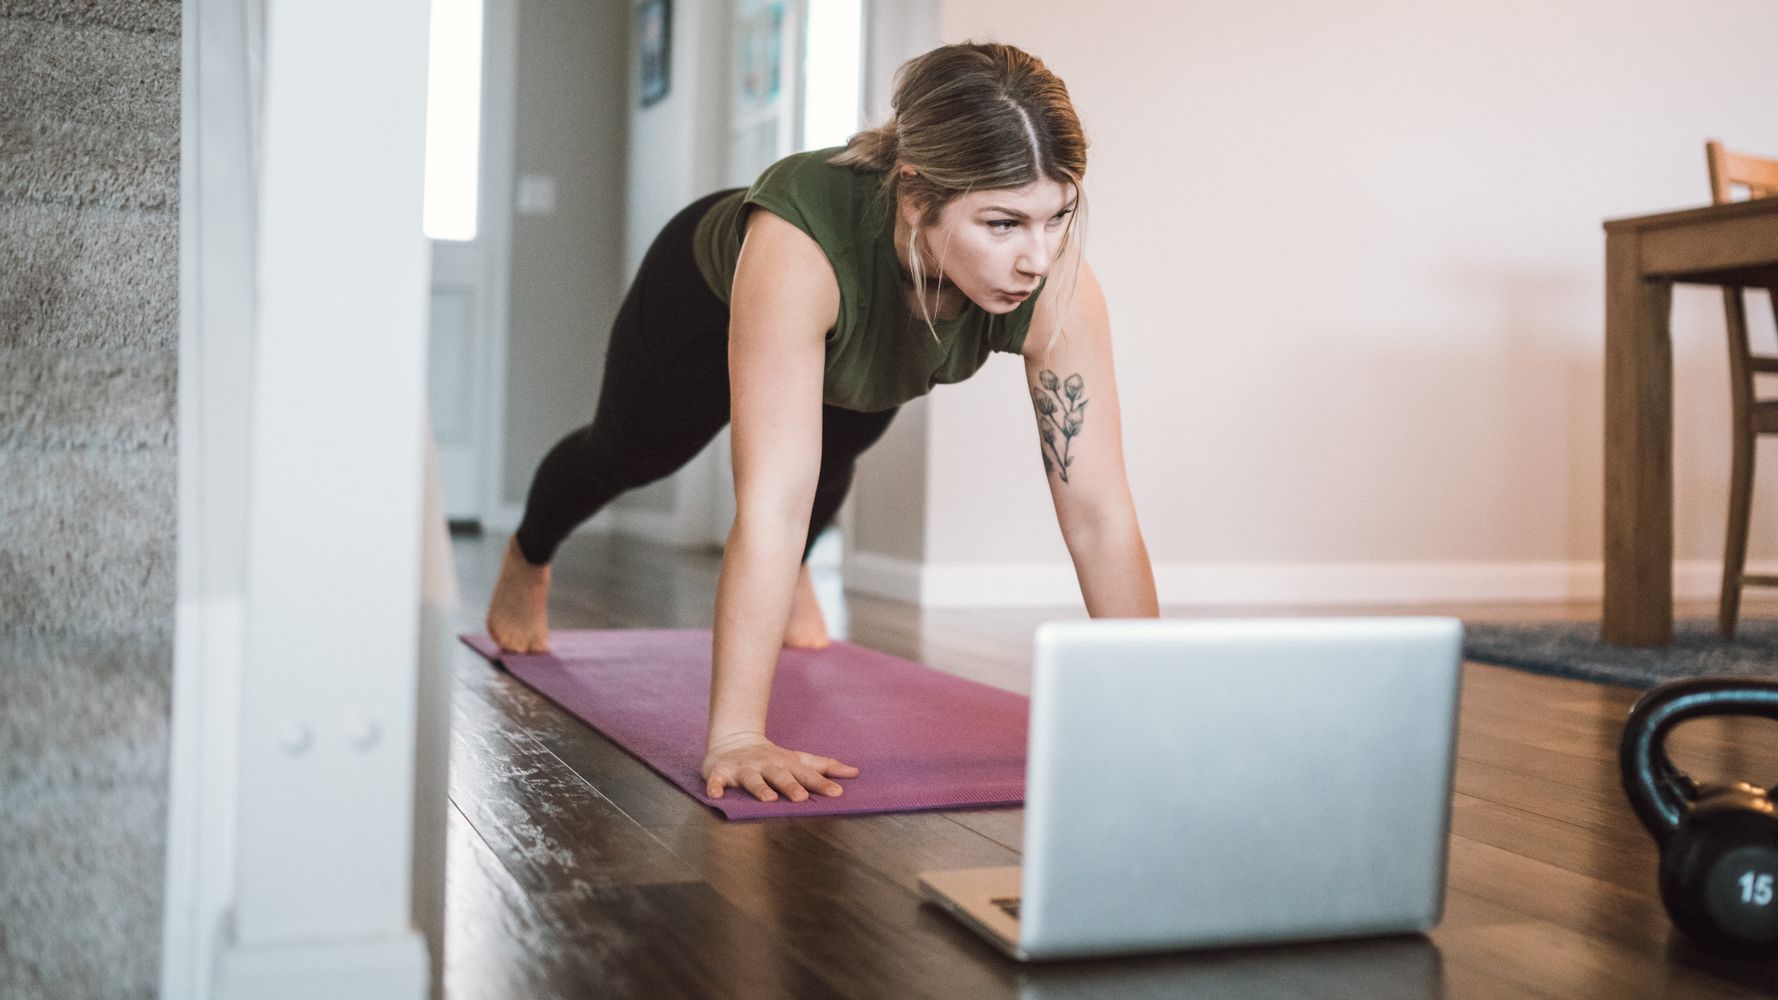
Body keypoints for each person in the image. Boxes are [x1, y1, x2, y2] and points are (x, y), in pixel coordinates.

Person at [486, 41, 1158, 804]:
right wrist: (738, 737)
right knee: (631, 453)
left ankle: (798, 569)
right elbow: (769, 502)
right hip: (700, 301)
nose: (1038, 258)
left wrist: (1148, 709)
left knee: (842, 444)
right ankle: (528, 552)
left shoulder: (1055, 280)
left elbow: (1100, 514)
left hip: (860, 329)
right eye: (1003, 224)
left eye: (1058, 216)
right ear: (915, 200)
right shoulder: (799, 245)